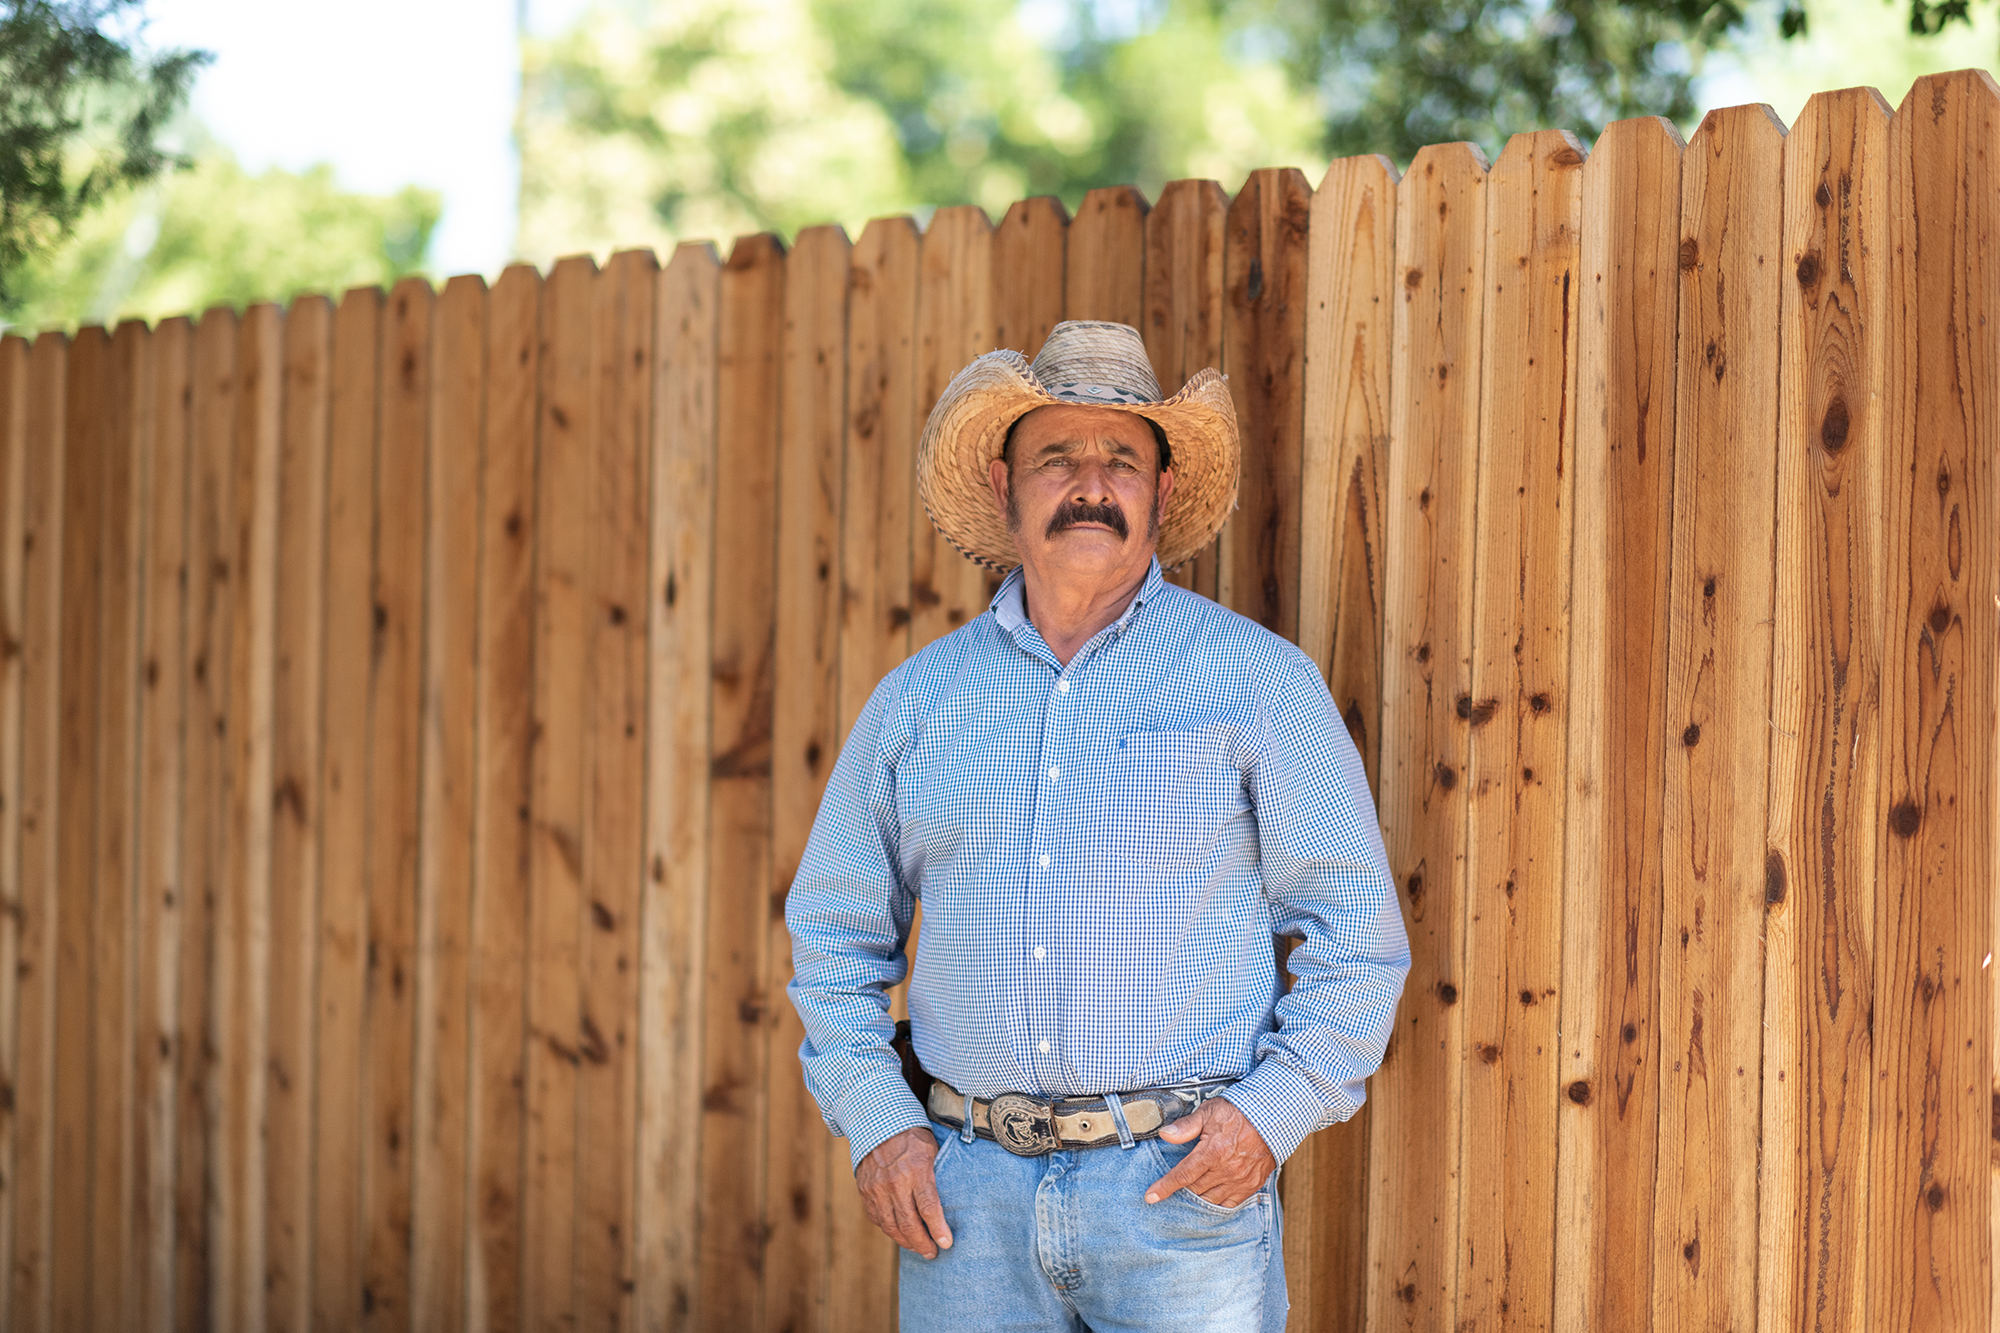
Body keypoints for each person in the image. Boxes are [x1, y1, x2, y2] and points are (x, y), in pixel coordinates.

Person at [784, 319, 1410, 1332]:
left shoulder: (1255, 682)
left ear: (1160, 491)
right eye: (1056, 458)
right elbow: (829, 937)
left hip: (1178, 1201)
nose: (1090, 482)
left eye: (1121, 457)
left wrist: (1266, 1116)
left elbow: (1357, 935)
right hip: (964, 1205)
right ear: (1004, 485)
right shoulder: (917, 703)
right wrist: (879, 1127)